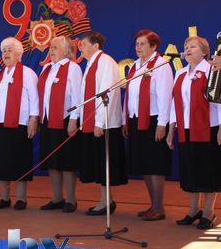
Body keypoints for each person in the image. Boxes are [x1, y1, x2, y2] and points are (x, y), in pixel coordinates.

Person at [167, 36, 221, 229]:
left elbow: (219, 103)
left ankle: (208, 212)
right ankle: (193, 210)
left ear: (204, 52)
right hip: (186, 128)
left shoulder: (212, 71)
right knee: (190, 169)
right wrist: (171, 129)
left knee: (208, 170)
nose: (188, 49)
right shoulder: (180, 73)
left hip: (208, 128)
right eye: (186, 47)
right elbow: (176, 103)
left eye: (193, 47)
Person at [122, 30, 173, 221]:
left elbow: (165, 96)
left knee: (155, 164)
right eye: (137, 44)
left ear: (154, 46)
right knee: (144, 163)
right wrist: (126, 119)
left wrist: (162, 124)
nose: (138, 47)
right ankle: (153, 205)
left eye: (142, 44)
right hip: (137, 119)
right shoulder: (135, 66)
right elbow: (130, 96)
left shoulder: (161, 65)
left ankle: (159, 207)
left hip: (153, 120)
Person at [78, 31, 127, 215]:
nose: (80, 48)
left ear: (96, 45)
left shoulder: (105, 62)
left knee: (105, 164)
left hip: (105, 124)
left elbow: (108, 93)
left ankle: (106, 202)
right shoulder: (91, 63)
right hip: (94, 122)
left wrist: (100, 122)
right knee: (99, 164)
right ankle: (106, 200)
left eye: (83, 44)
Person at [0, 37, 38, 211]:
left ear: (18, 54)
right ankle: (4, 198)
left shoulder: (28, 73)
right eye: (3, 51)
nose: (6, 53)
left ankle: (21, 198)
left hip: (20, 124)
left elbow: (34, 98)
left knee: (19, 161)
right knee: (1, 161)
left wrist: (33, 119)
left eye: (9, 50)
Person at [37, 36, 82, 213]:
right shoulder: (47, 68)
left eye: (55, 47)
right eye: (50, 47)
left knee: (67, 161)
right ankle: (56, 198)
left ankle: (71, 199)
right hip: (48, 119)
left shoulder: (73, 68)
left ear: (66, 51)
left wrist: (73, 120)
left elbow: (77, 97)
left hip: (65, 119)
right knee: (52, 161)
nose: (51, 50)